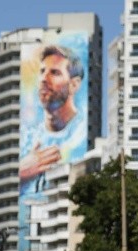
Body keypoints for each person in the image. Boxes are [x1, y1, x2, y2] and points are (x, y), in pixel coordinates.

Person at [20, 44, 86, 195]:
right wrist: (22, 172)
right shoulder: (27, 136)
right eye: (42, 71)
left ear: (74, 85)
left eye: (54, 72)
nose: (44, 78)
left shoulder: (80, 135)